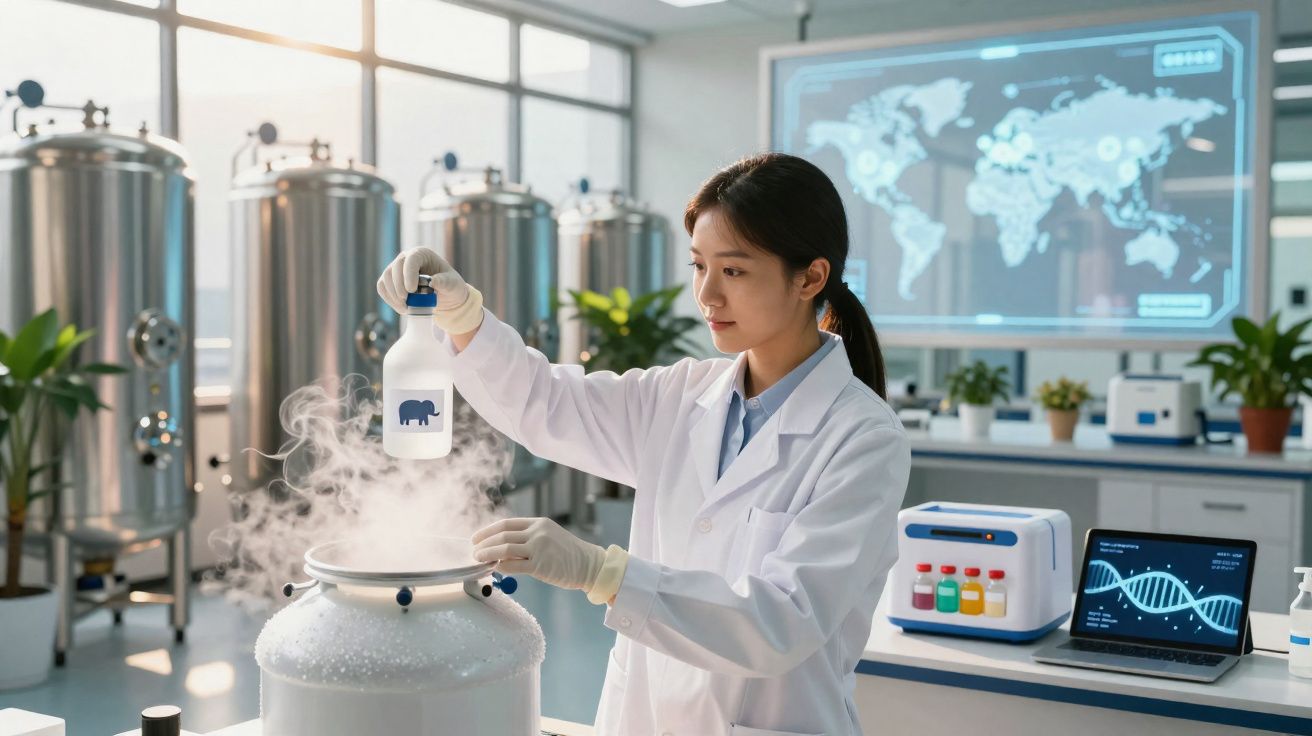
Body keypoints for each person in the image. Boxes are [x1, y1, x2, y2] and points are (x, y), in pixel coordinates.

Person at [376, 152, 910, 736]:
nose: (706, 295)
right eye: (699, 266)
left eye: (733, 272)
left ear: (809, 277)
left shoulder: (863, 440)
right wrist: (462, 316)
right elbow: (544, 402)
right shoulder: (680, 395)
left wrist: (600, 572)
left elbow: (781, 620)